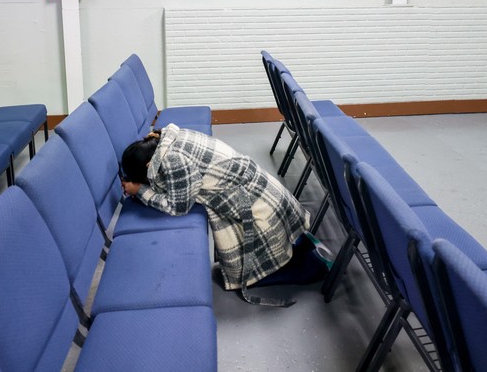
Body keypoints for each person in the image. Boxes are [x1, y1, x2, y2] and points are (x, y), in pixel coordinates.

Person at [120, 123, 330, 306]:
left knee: (247, 277)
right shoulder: (167, 139)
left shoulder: (173, 161)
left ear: (149, 165)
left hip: (257, 207)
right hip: (262, 191)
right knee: (264, 255)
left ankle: (315, 267)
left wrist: (140, 191)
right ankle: (302, 248)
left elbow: (177, 206)